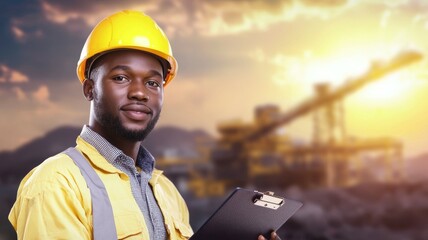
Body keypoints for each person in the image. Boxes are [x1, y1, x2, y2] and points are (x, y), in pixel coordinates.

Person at [8, 10, 281, 240]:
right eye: (121, 78)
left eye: (153, 83)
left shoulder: (167, 194)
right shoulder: (56, 184)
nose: (140, 92)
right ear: (89, 89)